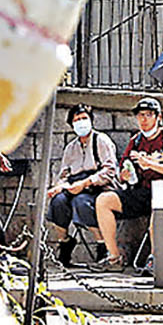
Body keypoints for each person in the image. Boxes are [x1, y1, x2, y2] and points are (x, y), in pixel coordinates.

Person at [106, 96, 163, 276]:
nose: (144, 119)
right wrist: (124, 175)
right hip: (141, 190)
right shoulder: (136, 141)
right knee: (104, 201)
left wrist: (150, 164)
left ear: (158, 117)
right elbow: (123, 168)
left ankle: (155, 258)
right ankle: (114, 257)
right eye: (140, 115)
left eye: (148, 115)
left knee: (158, 206)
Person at [46, 104, 120, 266]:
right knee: (58, 201)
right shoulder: (70, 148)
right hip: (75, 185)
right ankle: (64, 242)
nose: (81, 122)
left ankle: (103, 245)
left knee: (81, 202)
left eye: (84, 118)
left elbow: (109, 171)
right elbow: (64, 174)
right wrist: (60, 186)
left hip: (98, 187)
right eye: (77, 120)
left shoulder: (101, 141)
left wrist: (86, 183)